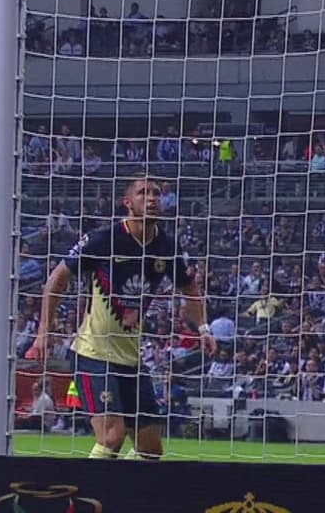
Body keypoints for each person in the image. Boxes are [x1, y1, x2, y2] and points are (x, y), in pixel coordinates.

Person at [27, 176, 216, 460]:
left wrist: (203, 328)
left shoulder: (166, 247)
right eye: (143, 193)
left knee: (150, 449)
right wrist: (44, 331)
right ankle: (85, 489)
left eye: (156, 193)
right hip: (93, 353)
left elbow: (190, 288)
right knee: (111, 437)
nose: (152, 199)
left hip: (131, 360)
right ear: (127, 202)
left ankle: (117, 487)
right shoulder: (103, 239)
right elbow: (56, 279)